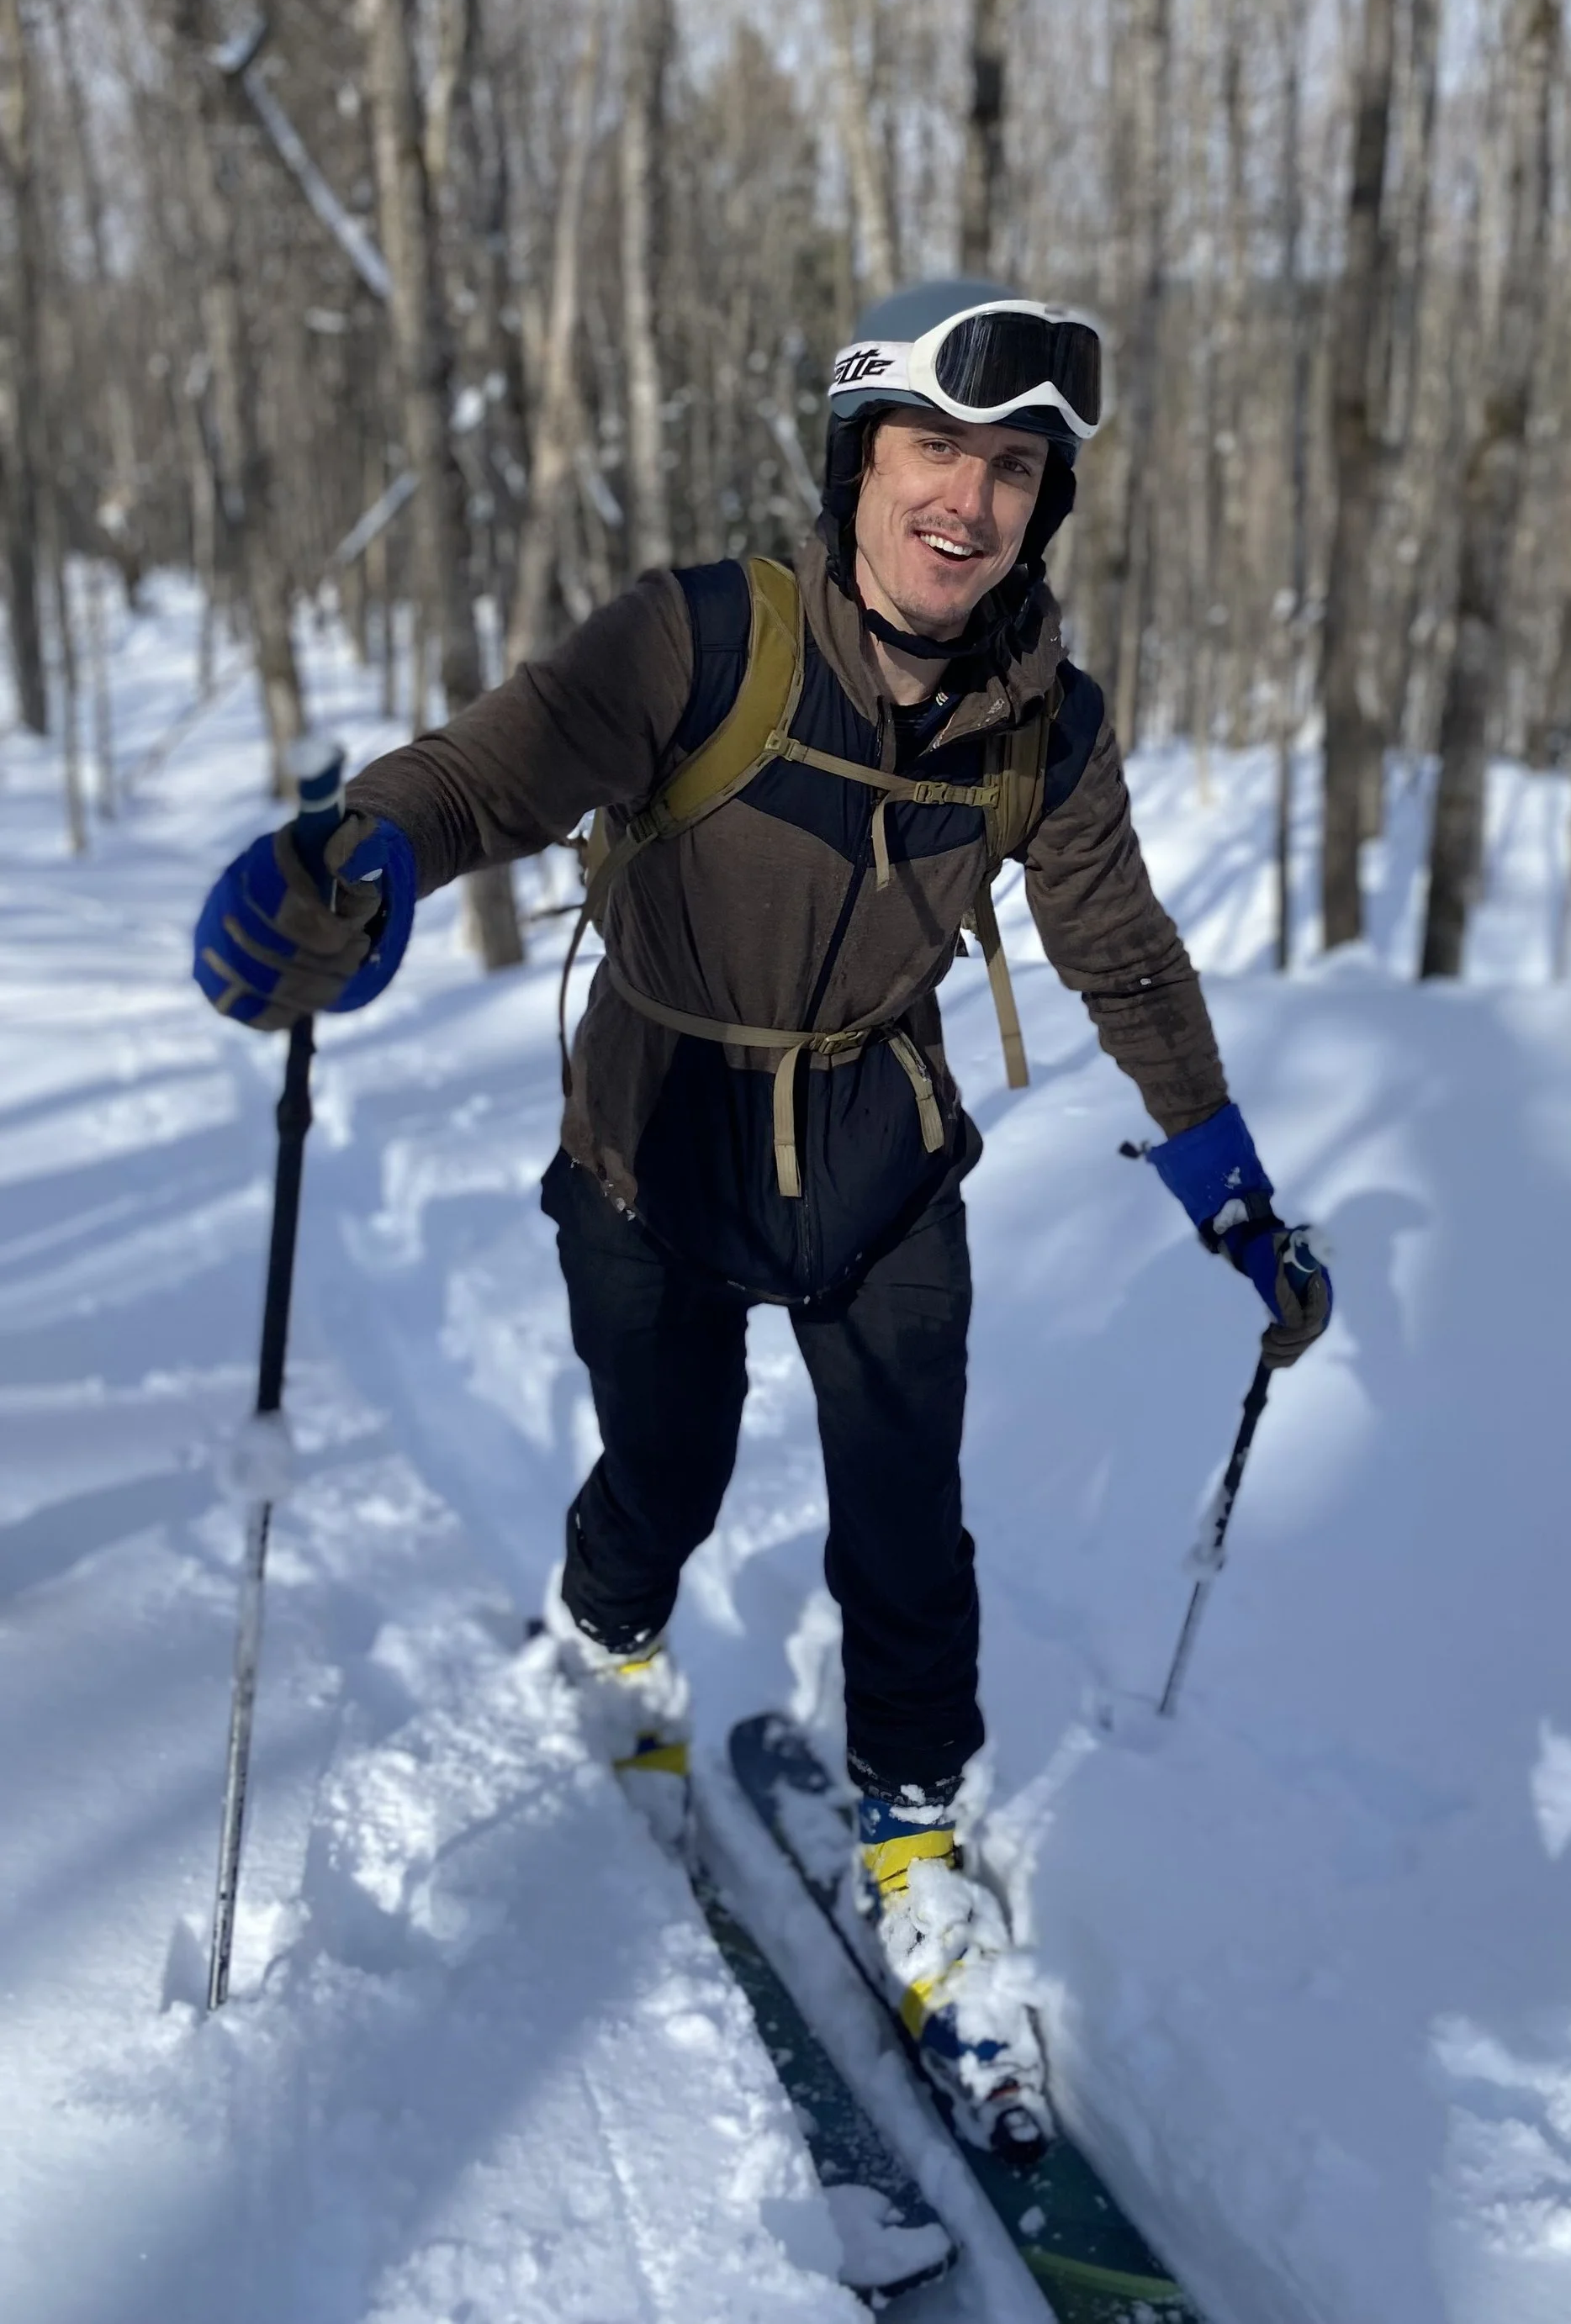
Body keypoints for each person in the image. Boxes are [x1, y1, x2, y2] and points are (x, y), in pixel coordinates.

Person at [193, 279, 1333, 2157]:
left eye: (1014, 472)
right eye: (933, 451)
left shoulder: (1043, 722)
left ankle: (913, 1838)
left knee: (907, 1518)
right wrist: (368, 854)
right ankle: (613, 1638)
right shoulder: (704, 639)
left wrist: (1226, 1184)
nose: (967, 502)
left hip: (882, 1147)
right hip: (657, 1132)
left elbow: (1120, 951)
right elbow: (496, 767)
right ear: (855, 459)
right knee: (669, 1463)